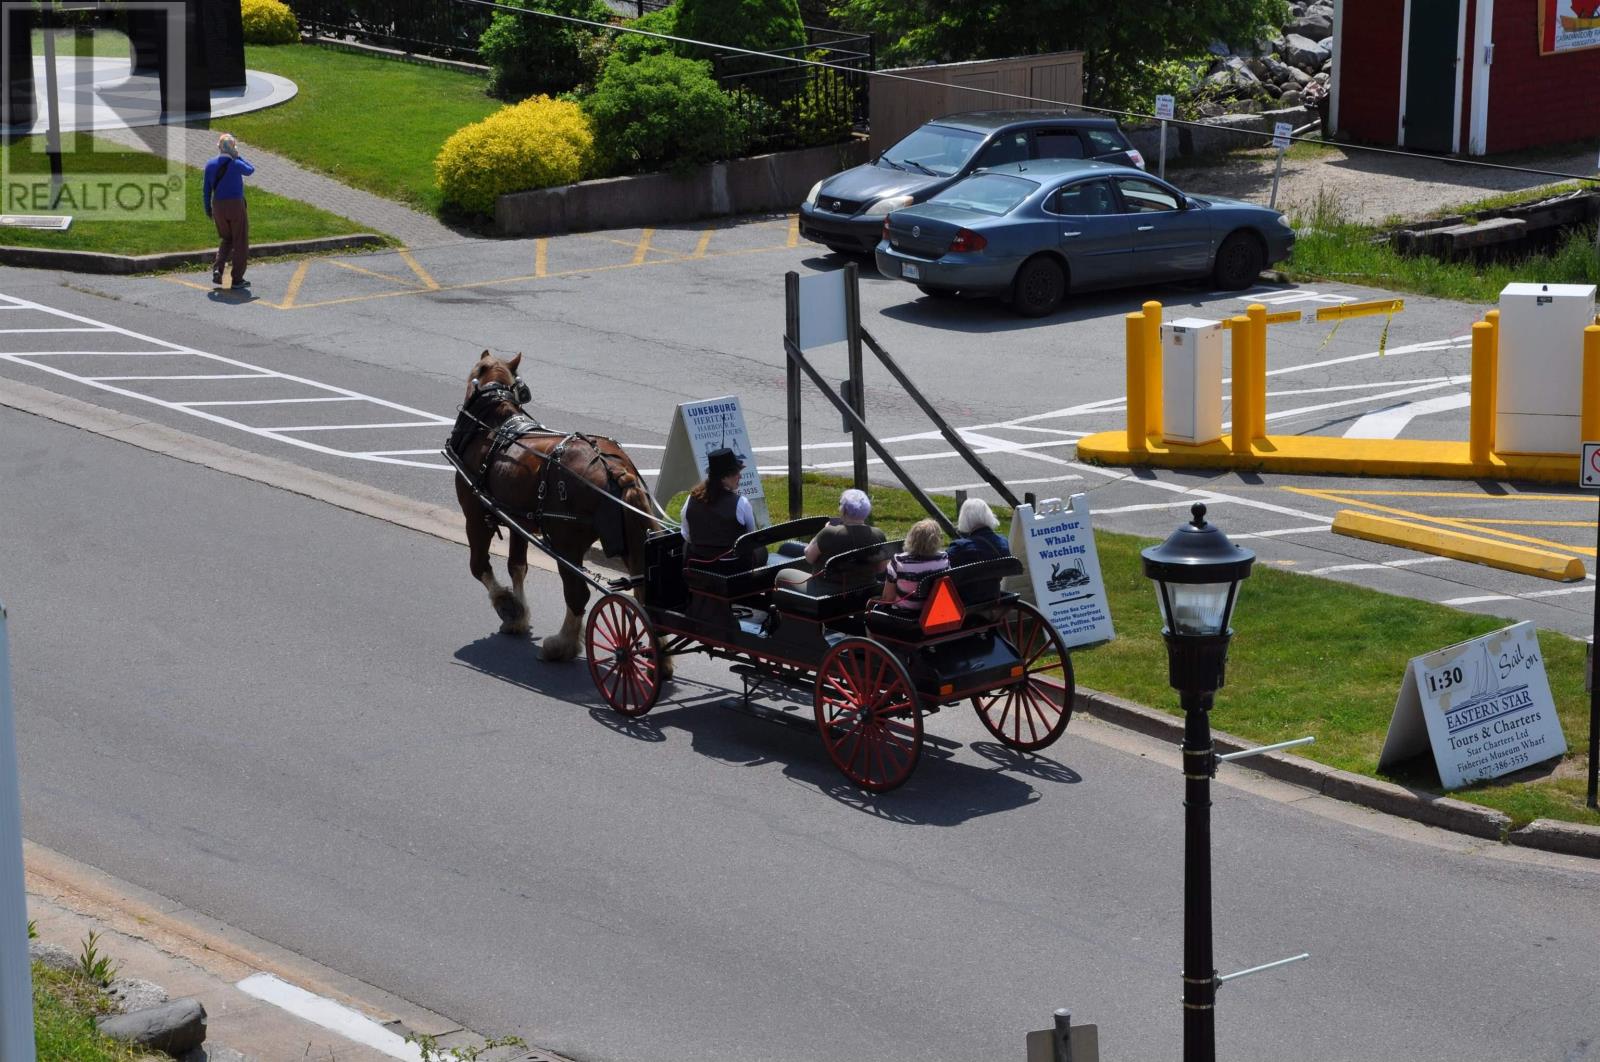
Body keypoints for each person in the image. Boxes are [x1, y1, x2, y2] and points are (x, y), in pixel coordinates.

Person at [680, 446, 757, 570]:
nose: (740, 476)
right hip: (731, 570)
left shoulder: (691, 499)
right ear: (723, 478)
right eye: (736, 473)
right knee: (761, 551)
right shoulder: (741, 503)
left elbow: (687, 535)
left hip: (699, 569)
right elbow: (750, 537)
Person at [203, 133, 256, 289]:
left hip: (218, 206)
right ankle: (237, 278)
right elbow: (250, 170)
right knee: (240, 241)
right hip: (235, 205)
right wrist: (237, 156)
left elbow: (206, 189)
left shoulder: (210, 164)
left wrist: (208, 208)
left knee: (227, 239)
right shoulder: (235, 163)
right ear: (233, 148)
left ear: (219, 147)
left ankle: (218, 269)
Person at [803, 488, 887, 583]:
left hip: (828, 588)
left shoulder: (830, 532)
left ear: (844, 510)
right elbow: (881, 569)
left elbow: (809, 558)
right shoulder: (878, 534)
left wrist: (822, 531)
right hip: (865, 586)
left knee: (784, 573)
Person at [879, 518, 950, 613]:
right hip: (933, 613)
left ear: (911, 538)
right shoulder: (943, 559)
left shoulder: (898, 561)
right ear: (937, 540)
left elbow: (888, 598)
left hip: (904, 615)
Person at [946, 498, 1011, 599]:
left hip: (964, 601)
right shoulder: (1003, 543)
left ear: (964, 519)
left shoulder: (959, 548)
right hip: (993, 596)